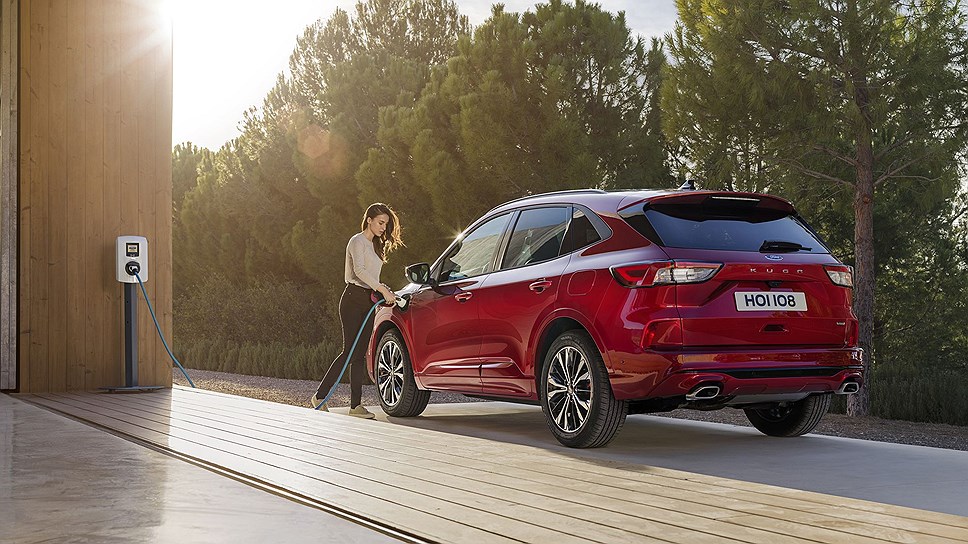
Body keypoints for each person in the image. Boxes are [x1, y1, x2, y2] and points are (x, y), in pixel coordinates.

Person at [311, 203, 402, 418]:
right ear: (369, 220)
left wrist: (382, 290)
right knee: (350, 351)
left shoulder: (376, 246)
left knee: (360, 354)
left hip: (368, 301)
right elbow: (359, 271)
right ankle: (320, 396)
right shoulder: (357, 241)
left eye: (386, 224)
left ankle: (355, 406)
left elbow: (372, 277)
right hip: (352, 299)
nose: (383, 227)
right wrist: (381, 289)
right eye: (380, 222)